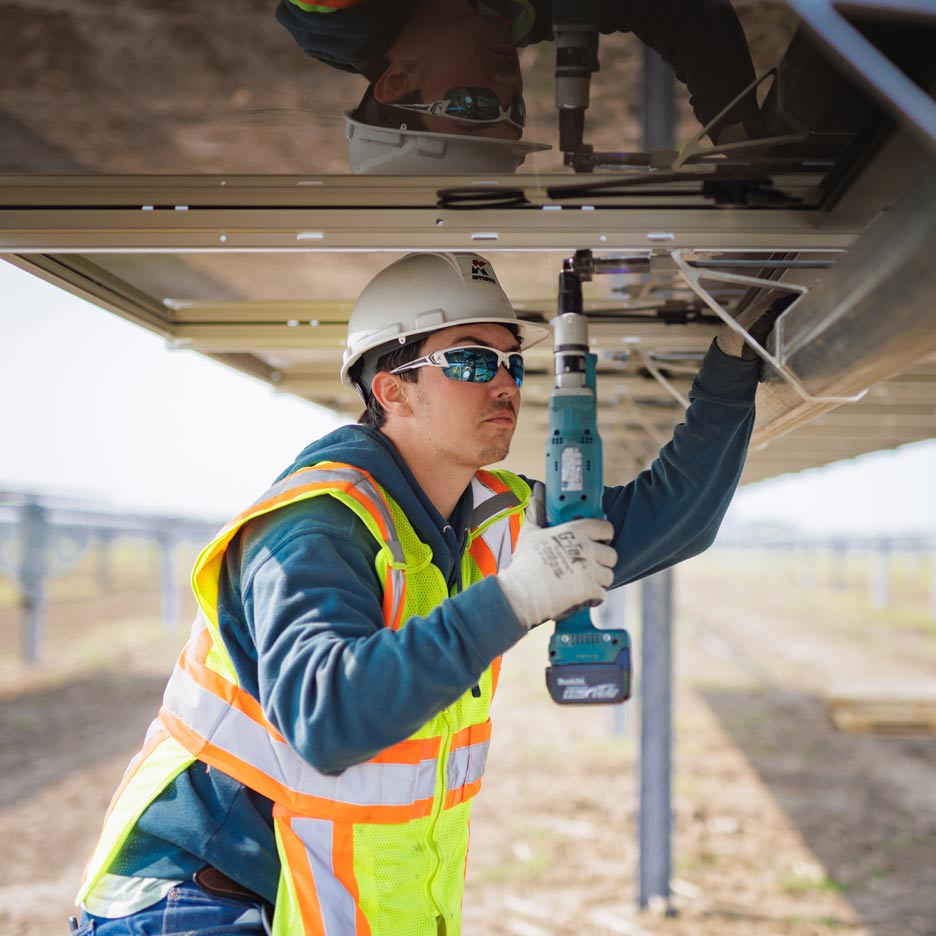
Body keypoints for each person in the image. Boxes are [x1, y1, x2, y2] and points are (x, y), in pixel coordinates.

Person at [73, 251, 774, 935]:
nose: (503, 383)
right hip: (194, 901)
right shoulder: (315, 526)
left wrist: (732, 360)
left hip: (304, 892)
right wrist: (516, 598)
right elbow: (329, 717)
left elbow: (676, 518)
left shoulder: (497, 513)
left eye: (511, 362)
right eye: (471, 361)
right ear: (392, 389)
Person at [275, 0, 764, 172]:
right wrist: (738, 130)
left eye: (473, 105)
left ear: (397, 81)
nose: (510, 86)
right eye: (516, 112)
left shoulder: (332, 8)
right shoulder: (520, 14)